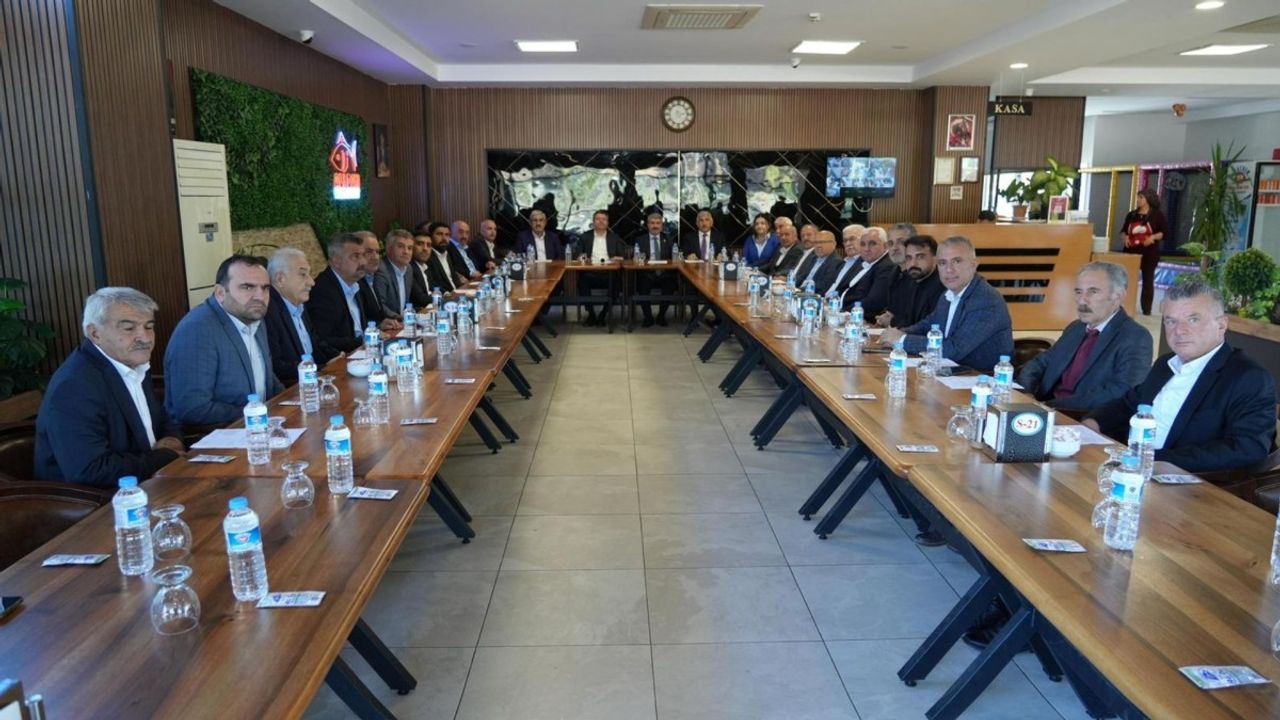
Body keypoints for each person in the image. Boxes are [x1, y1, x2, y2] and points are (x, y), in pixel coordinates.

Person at [1084, 277, 1275, 474]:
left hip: (1190, 483)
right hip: (1127, 468)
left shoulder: (1249, 378)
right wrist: (1095, 421)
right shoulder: (1165, 365)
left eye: (1193, 319)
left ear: (1221, 325)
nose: (1179, 331)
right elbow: (1129, 404)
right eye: (1171, 321)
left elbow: (1247, 448)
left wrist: (1154, 460)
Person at [35, 287, 184, 487]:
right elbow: (91, 471)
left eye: (149, 327)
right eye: (129, 328)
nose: (145, 338)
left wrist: (172, 439)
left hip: (151, 479)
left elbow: (161, 417)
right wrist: (165, 457)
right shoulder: (74, 386)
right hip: (98, 499)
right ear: (95, 333)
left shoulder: (131, 362)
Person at [165, 255, 283, 426]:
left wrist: (288, 402)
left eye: (265, 288)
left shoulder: (253, 318)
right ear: (220, 293)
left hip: (262, 426)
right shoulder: (197, 330)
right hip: (221, 433)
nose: (260, 296)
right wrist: (259, 415)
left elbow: (266, 376)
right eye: (248, 287)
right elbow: (192, 408)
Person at [1018, 262, 1152, 413]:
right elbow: (1040, 363)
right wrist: (1026, 393)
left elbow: (1122, 391)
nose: (1082, 300)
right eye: (1078, 292)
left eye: (1093, 292)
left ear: (1118, 297)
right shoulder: (1075, 328)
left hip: (1082, 416)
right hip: (1043, 408)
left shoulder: (1135, 337)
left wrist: (1050, 405)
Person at [879, 236, 1013, 372]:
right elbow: (927, 325)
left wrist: (903, 339)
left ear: (974, 265)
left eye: (957, 261)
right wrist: (898, 333)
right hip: (951, 372)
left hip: (982, 379)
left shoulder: (985, 300)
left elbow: (954, 349)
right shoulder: (947, 295)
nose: (949, 269)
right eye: (942, 263)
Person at [308, 233, 400, 354]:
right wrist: (363, 340)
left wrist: (377, 327)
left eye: (363, 255)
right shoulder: (323, 291)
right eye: (355, 256)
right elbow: (324, 341)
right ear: (336, 262)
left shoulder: (355, 283)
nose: (363, 262)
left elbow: (356, 327)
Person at [265, 247, 337, 386]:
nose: (312, 282)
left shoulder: (298, 304)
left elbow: (316, 342)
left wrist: (338, 357)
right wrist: (322, 369)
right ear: (280, 279)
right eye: (303, 274)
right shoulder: (268, 312)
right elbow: (277, 366)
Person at [876, 235, 945, 329]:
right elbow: (901, 315)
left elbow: (926, 326)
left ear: (935, 259)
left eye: (920, 257)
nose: (913, 264)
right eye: (909, 258)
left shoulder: (942, 286)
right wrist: (887, 317)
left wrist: (892, 321)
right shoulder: (908, 280)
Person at [1120, 188, 1166, 316]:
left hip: (1149, 253)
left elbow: (1164, 232)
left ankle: (1146, 309)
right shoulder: (1131, 215)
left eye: (1141, 198)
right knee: (1127, 279)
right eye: (1138, 197)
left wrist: (1152, 238)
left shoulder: (1157, 215)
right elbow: (1123, 231)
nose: (1138, 200)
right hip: (1131, 251)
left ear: (1148, 199)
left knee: (1147, 280)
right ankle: (1126, 306)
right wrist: (1125, 238)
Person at [576, 209, 625, 326]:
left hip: (609, 272)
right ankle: (591, 314)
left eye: (604, 219)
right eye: (598, 219)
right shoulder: (585, 237)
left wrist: (617, 258)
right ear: (593, 222)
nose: (601, 221)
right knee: (582, 281)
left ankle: (603, 314)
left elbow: (622, 256)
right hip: (590, 272)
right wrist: (583, 259)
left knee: (616, 282)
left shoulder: (614, 237)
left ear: (608, 222)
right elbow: (579, 255)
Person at [631, 211, 678, 327]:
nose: (655, 226)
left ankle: (661, 316)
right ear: (647, 225)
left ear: (662, 225)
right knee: (642, 285)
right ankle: (648, 317)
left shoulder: (669, 239)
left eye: (658, 223)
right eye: (652, 223)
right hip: (647, 273)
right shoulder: (640, 239)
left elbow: (674, 257)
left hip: (664, 273)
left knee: (670, 285)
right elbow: (636, 257)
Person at [373, 229, 432, 319]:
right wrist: (401, 318)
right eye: (400, 246)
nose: (406, 252)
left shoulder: (408, 269)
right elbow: (380, 306)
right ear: (388, 248)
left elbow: (405, 305)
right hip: (388, 323)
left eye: (410, 248)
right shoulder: (381, 270)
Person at [840, 226, 896, 317]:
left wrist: (843, 312)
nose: (866, 249)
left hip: (861, 318)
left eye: (872, 244)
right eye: (863, 244)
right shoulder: (866, 262)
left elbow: (873, 302)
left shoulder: (886, 267)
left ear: (885, 246)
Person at [422, 221, 470, 292]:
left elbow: (454, 279)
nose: (444, 238)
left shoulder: (447, 253)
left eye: (447, 235)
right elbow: (431, 284)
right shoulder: (427, 257)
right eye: (439, 234)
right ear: (430, 237)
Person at [793, 230, 842, 294]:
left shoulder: (836, 262)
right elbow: (802, 277)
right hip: (798, 291)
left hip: (810, 295)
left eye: (822, 242)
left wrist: (799, 292)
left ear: (833, 244)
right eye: (816, 242)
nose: (818, 245)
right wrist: (791, 287)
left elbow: (823, 287)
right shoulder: (813, 258)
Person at [825, 226, 866, 299]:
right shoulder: (841, 263)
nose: (848, 243)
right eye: (845, 240)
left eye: (852, 239)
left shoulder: (866, 264)